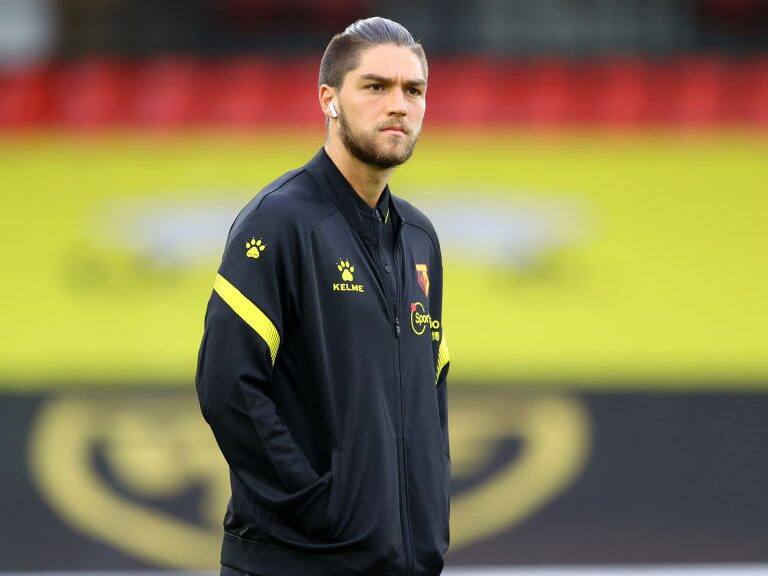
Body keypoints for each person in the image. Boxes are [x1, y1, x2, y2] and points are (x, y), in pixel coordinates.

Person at [195, 16, 450, 576]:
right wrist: (317, 509)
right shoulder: (280, 220)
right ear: (328, 99)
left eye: (414, 90)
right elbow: (226, 387)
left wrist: (428, 517)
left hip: (402, 559)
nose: (399, 105)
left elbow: (431, 388)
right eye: (376, 87)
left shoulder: (420, 239)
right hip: (297, 561)